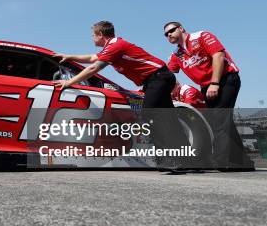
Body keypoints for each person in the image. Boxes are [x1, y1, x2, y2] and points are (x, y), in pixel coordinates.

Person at [54, 21, 191, 169]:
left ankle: (167, 159)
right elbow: (93, 58)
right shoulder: (111, 47)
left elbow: (94, 67)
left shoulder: (115, 46)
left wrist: (69, 83)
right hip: (158, 78)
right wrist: (69, 56)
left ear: (101, 35)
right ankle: (187, 157)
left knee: (150, 114)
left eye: (93, 35)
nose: (92, 38)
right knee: (168, 118)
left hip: (158, 78)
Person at [163, 21, 254, 171]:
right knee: (223, 121)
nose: (169, 35)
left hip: (224, 80)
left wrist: (215, 83)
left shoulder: (202, 36)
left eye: (171, 30)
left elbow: (218, 56)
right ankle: (243, 162)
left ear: (181, 28)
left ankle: (221, 161)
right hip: (207, 87)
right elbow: (167, 73)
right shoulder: (176, 54)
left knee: (219, 119)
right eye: (166, 34)